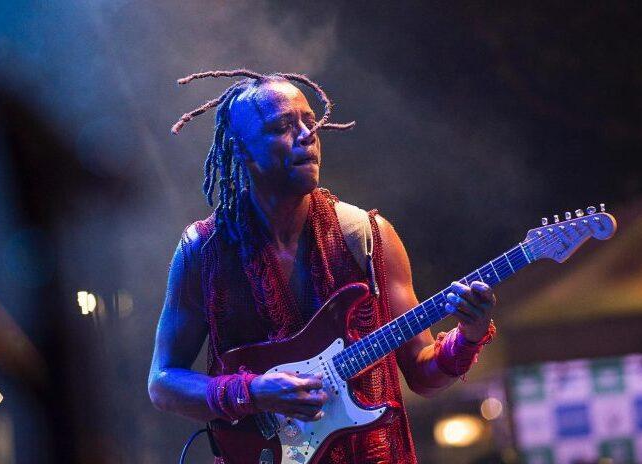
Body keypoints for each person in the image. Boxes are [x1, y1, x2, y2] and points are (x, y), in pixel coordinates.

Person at [148, 69, 497, 463]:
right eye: (282, 126)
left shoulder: (369, 237)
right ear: (241, 149)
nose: (307, 135)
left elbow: (422, 374)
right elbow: (163, 383)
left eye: (310, 121)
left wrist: (469, 335)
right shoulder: (204, 251)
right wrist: (252, 393)